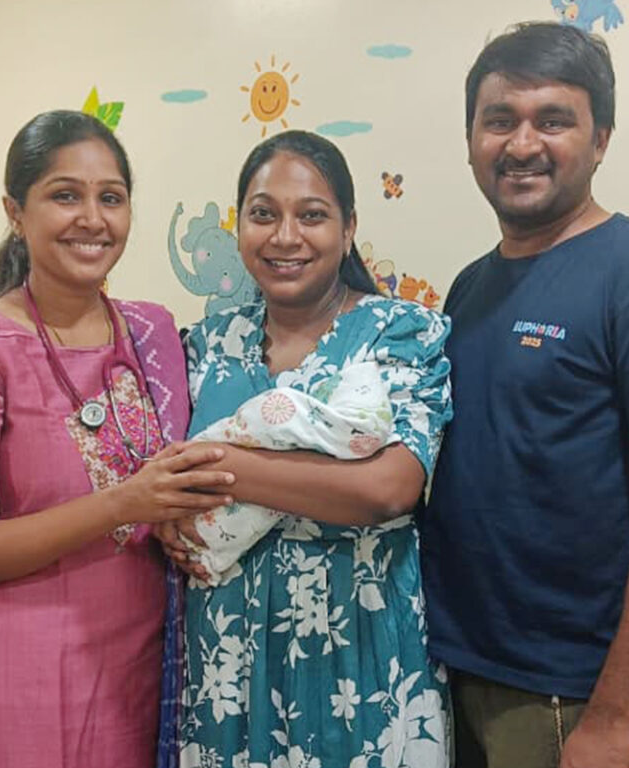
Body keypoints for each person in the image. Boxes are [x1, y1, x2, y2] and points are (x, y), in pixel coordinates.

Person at [0, 110, 236, 768]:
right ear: (15, 212)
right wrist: (124, 503)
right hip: (23, 686)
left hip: (146, 679)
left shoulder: (151, 333)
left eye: (111, 198)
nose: (93, 219)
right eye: (65, 195)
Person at [422, 22, 629, 768]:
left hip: (572, 693)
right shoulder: (470, 287)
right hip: (457, 669)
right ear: (470, 139)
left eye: (553, 120)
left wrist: (615, 714)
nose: (522, 143)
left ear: (600, 140)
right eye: (500, 119)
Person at [155, 130, 454, 768]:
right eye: (263, 214)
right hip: (225, 660)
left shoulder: (398, 332)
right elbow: (162, 480)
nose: (285, 236)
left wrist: (221, 466)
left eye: (312, 215)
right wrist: (167, 515)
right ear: (240, 226)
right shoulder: (204, 346)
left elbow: (386, 490)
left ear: (348, 229)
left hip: (360, 652)